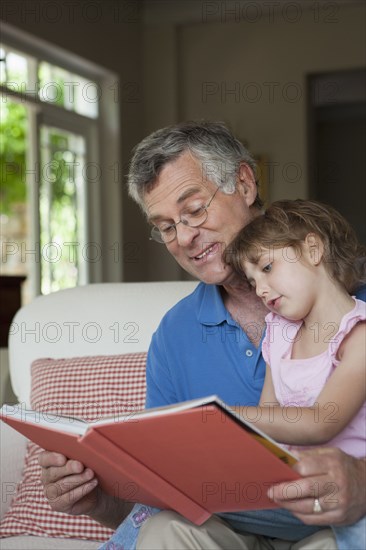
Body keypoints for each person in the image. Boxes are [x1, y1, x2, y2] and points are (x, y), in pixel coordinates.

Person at [39, 122, 366, 550]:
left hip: (334, 529)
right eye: (167, 226)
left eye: (193, 210)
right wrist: (96, 498)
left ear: (244, 183)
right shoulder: (175, 336)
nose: (186, 237)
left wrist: (360, 482)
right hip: (225, 532)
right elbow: (161, 493)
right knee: (161, 530)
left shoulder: (352, 307)